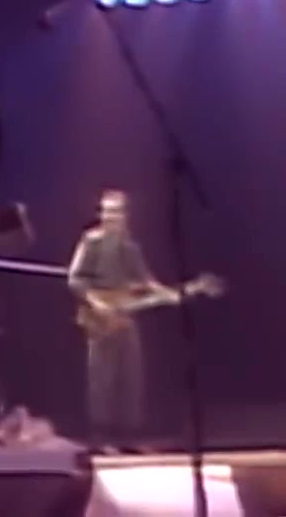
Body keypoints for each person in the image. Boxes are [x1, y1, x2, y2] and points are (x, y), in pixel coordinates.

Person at [65, 189, 168, 452]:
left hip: (124, 314)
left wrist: (166, 292)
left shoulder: (130, 246)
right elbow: (75, 279)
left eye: (117, 211)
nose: (112, 217)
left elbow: (144, 278)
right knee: (102, 376)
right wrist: (96, 302)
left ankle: (128, 435)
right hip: (100, 316)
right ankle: (101, 435)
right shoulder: (91, 242)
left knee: (131, 373)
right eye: (107, 211)